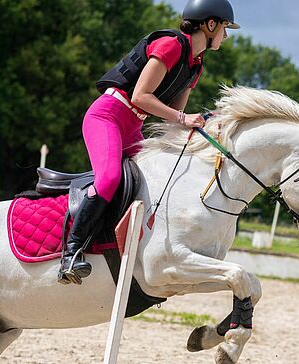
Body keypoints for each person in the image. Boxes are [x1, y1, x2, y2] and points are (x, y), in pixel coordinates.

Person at [58, 0, 240, 284]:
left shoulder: (196, 65)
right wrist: (183, 118)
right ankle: (71, 252)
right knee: (108, 180)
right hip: (108, 116)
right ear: (211, 24)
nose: (226, 36)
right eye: (225, 28)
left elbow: (172, 118)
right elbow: (141, 96)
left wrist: (208, 121)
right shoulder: (170, 45)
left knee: (151, 181)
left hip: (133, 126)